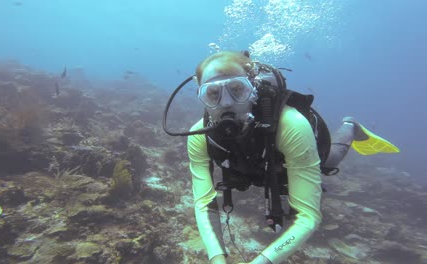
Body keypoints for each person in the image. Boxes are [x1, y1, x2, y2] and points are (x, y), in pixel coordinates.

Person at [163, 51, 399, 264]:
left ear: (253, 87)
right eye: (212, 94)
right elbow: (203, 203)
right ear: (200, 96)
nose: (226, 104)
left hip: (292, 159)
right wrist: (217, 259)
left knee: (329, 162)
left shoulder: (292, 125)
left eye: (237, 90)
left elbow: (308, 216)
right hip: (253, 168)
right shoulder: (199, 136)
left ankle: (350, 126)